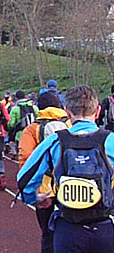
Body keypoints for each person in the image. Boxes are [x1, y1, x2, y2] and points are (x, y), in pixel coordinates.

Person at [17, 85, 114, 253]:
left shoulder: (55, 141)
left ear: (67, 112)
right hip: (104, 226)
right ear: (98, 111)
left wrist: (34, 198)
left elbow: (24, 179)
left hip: (68, 227)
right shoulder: (111, 140)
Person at [18, 91, 69, 253]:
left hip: (44, 190)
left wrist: (30, 190)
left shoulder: (32, 129)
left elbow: (26, 158)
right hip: (68, 186)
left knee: (47, 234)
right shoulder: (71, 125)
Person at [8, 90, 39, 155]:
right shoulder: (34, 107)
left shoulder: (15, 109)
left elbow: (11, 124)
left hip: (20, 134)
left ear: (16, 98)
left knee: (22, 154)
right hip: (34, 133)